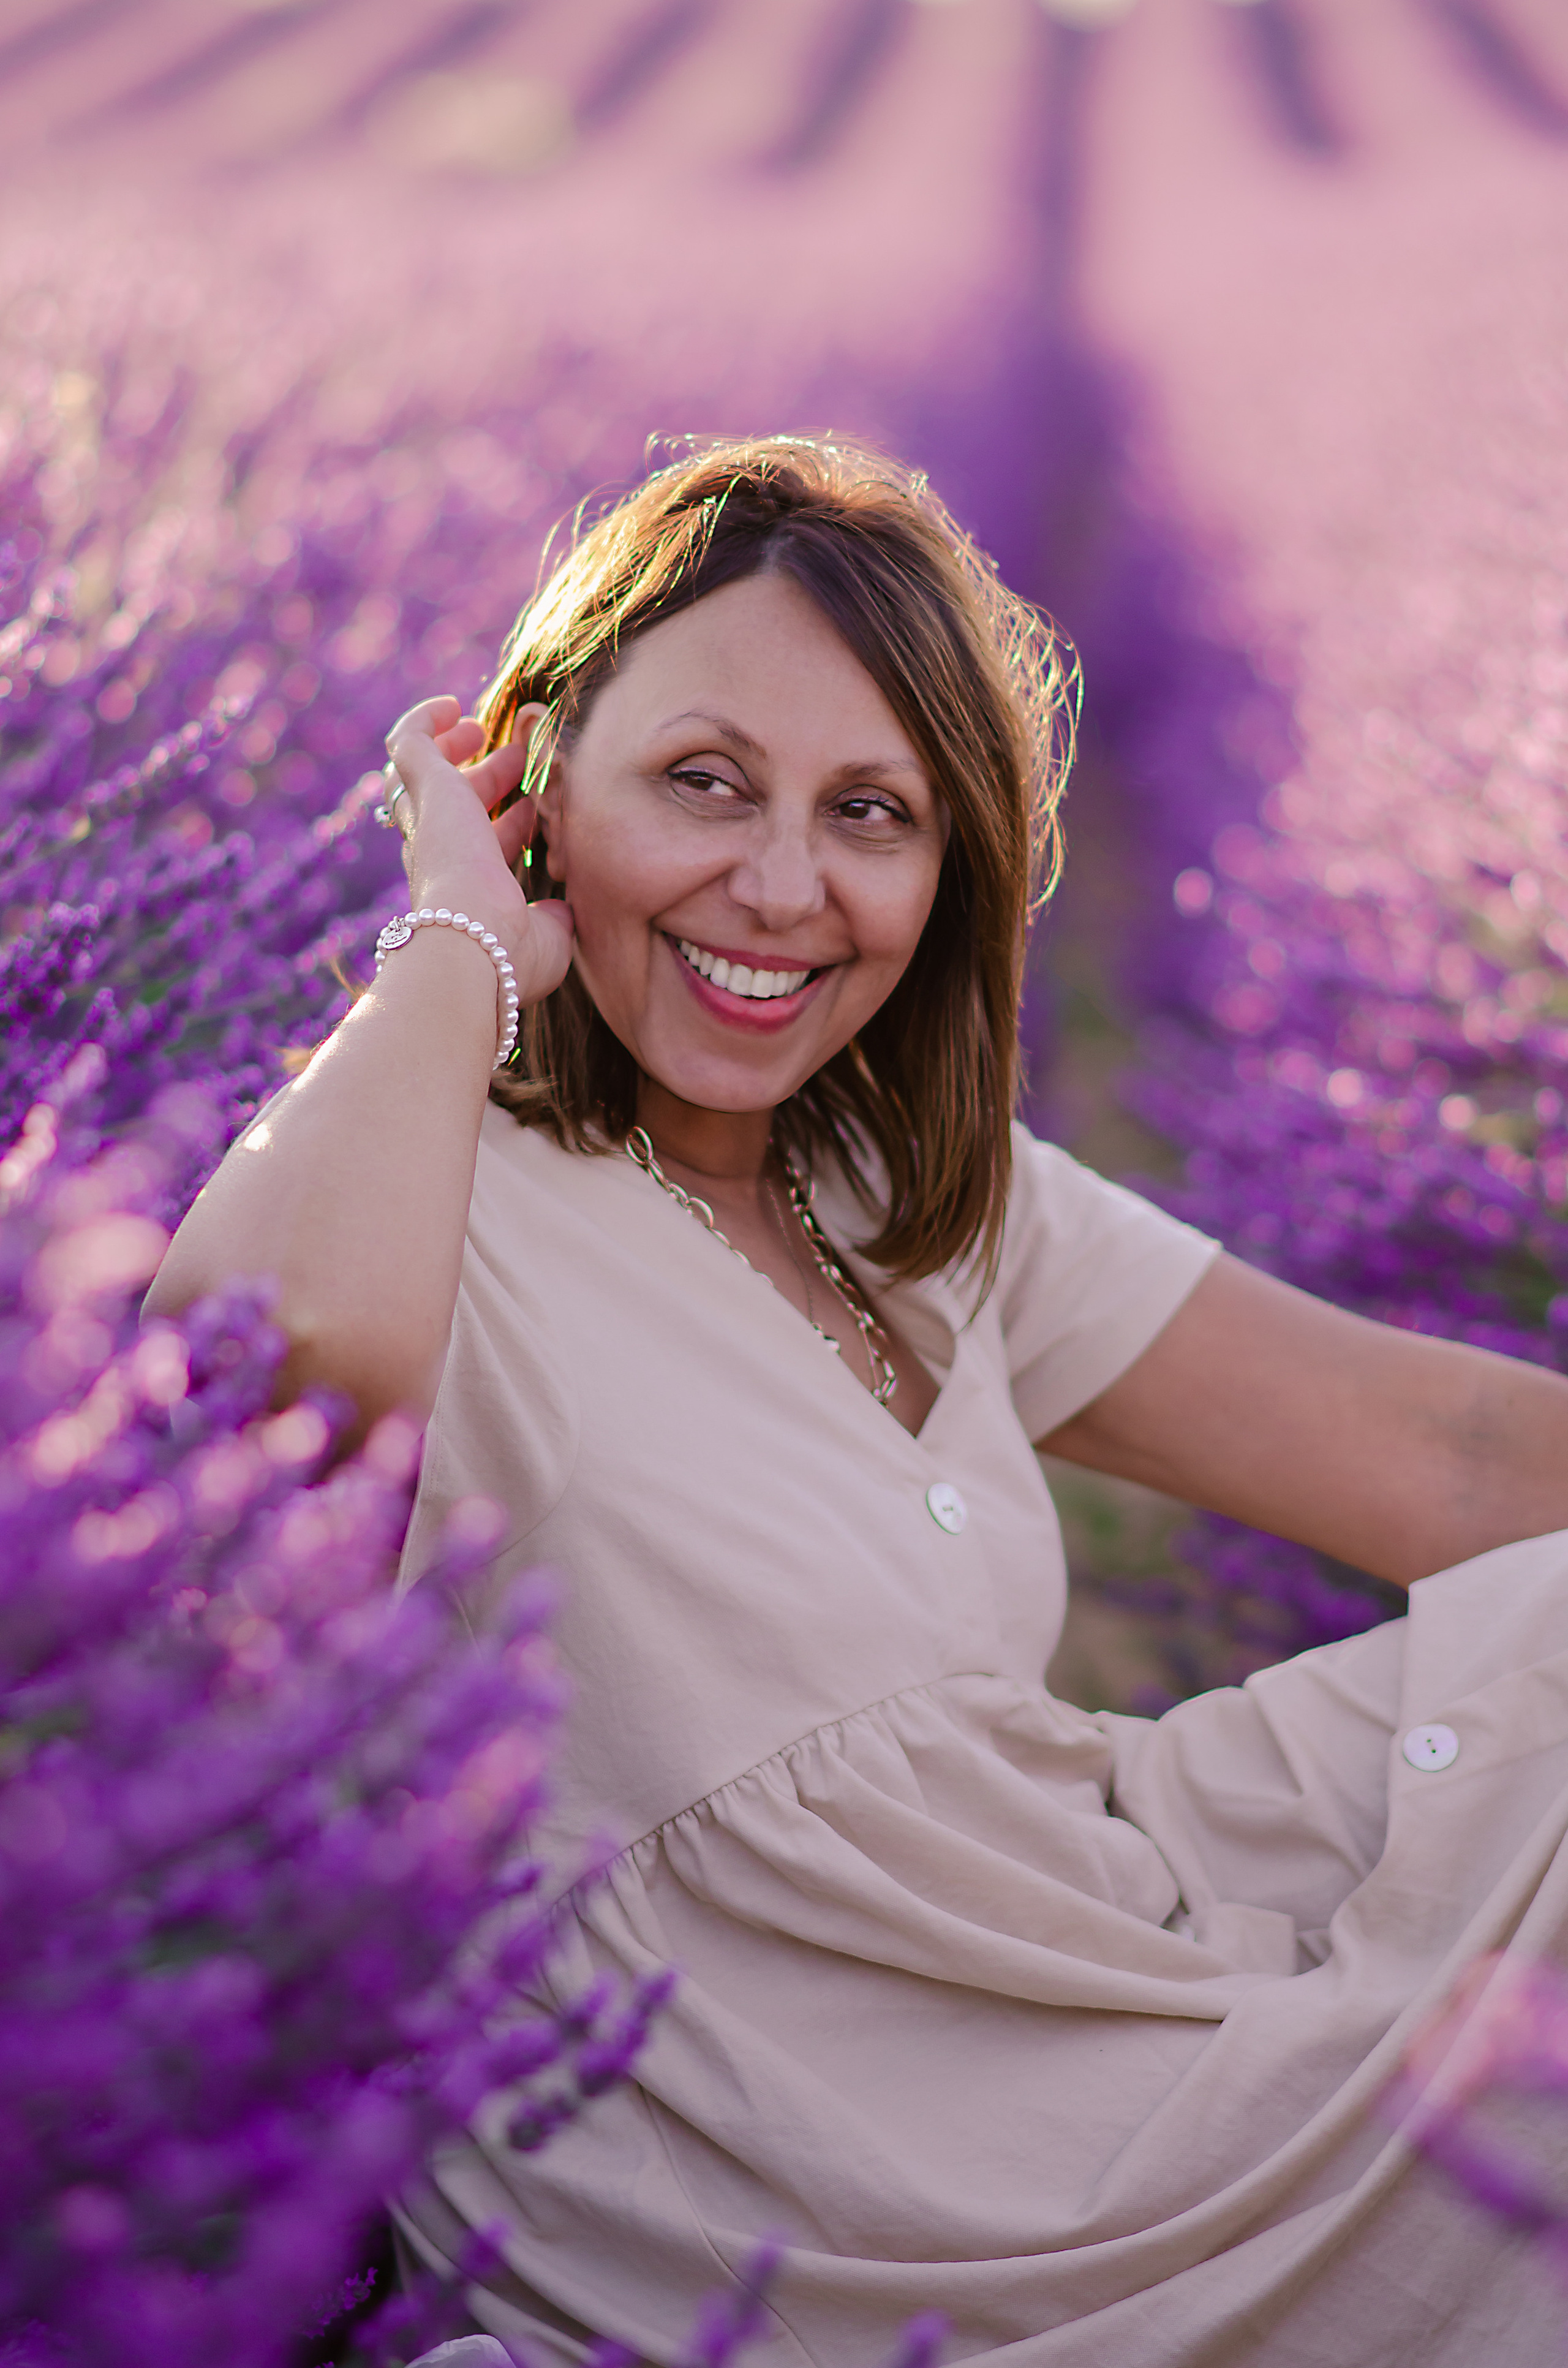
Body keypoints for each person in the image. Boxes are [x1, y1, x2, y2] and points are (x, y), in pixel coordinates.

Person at [147, 437, 1568, 2366]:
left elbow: (1449, 1453)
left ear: (948, 865)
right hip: (844, 2223)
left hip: (1105, 2007)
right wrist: (459, 944)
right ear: (537, 778)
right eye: (703, 781)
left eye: (871, 813)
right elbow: (260, 1392)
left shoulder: (908, 1190)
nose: (784, 886)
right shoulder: (431, 1184)